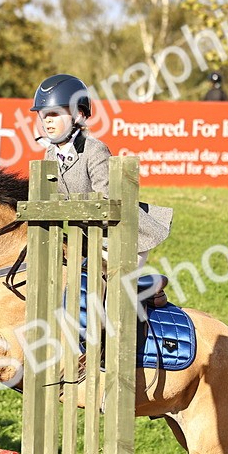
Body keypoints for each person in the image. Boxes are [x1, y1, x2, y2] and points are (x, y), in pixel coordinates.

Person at [31, 73, 171, 304]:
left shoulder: (95, 150)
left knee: (111, 297)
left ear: (79, 114)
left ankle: (144, 300)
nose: (47, 121)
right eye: (43, 115)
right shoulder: (49, 154)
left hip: (122, 235)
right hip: (87, 237)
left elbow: (106, 201)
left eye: (55, 114)